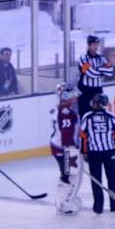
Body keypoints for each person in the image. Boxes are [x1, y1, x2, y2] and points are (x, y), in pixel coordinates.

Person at [80, 93, 115, 214]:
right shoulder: (111, 116)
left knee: (96, 181)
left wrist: (84, 152)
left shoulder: (87, 117)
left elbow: (83, 136)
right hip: (110, 153)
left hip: (94, 154)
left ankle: (98, 207)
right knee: (113, 180)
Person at [50, 83, 82, 215]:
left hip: (58, 147)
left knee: (66, 174)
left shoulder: (58, 109)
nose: (76, 97)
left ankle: (64, 200)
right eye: (73, 95)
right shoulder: (67, 113)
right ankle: (63, 203)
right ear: (66, 96)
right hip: (66, 149)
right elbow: (66, 134)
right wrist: (71, 151)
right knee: (70, 175)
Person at [77, 35, 113, 118]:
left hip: (98, 91)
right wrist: (102, 70)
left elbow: (110, 72)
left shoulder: (102, 58)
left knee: (99, 115)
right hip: (85, 91)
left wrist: (96, 69)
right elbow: (90, 73)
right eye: (94, 44)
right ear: (89, 45)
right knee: (85, 115)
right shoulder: (83, 58)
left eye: (97, 44)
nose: (96, 46)